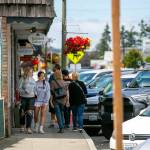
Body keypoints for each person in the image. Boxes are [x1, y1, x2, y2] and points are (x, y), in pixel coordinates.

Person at [18, 67, 36, 134]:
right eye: (30, 72)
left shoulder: (33, 79)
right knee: (22, 112)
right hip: (23, 97)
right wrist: (25, 91)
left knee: (30, 113)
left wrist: (35, 92)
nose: (31, 73)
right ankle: (22, 126)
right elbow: (19, 89)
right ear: (27, 72)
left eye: (32, 72)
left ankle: (28, 128)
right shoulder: (22, 79)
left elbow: (35, 88)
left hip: (31, 98)